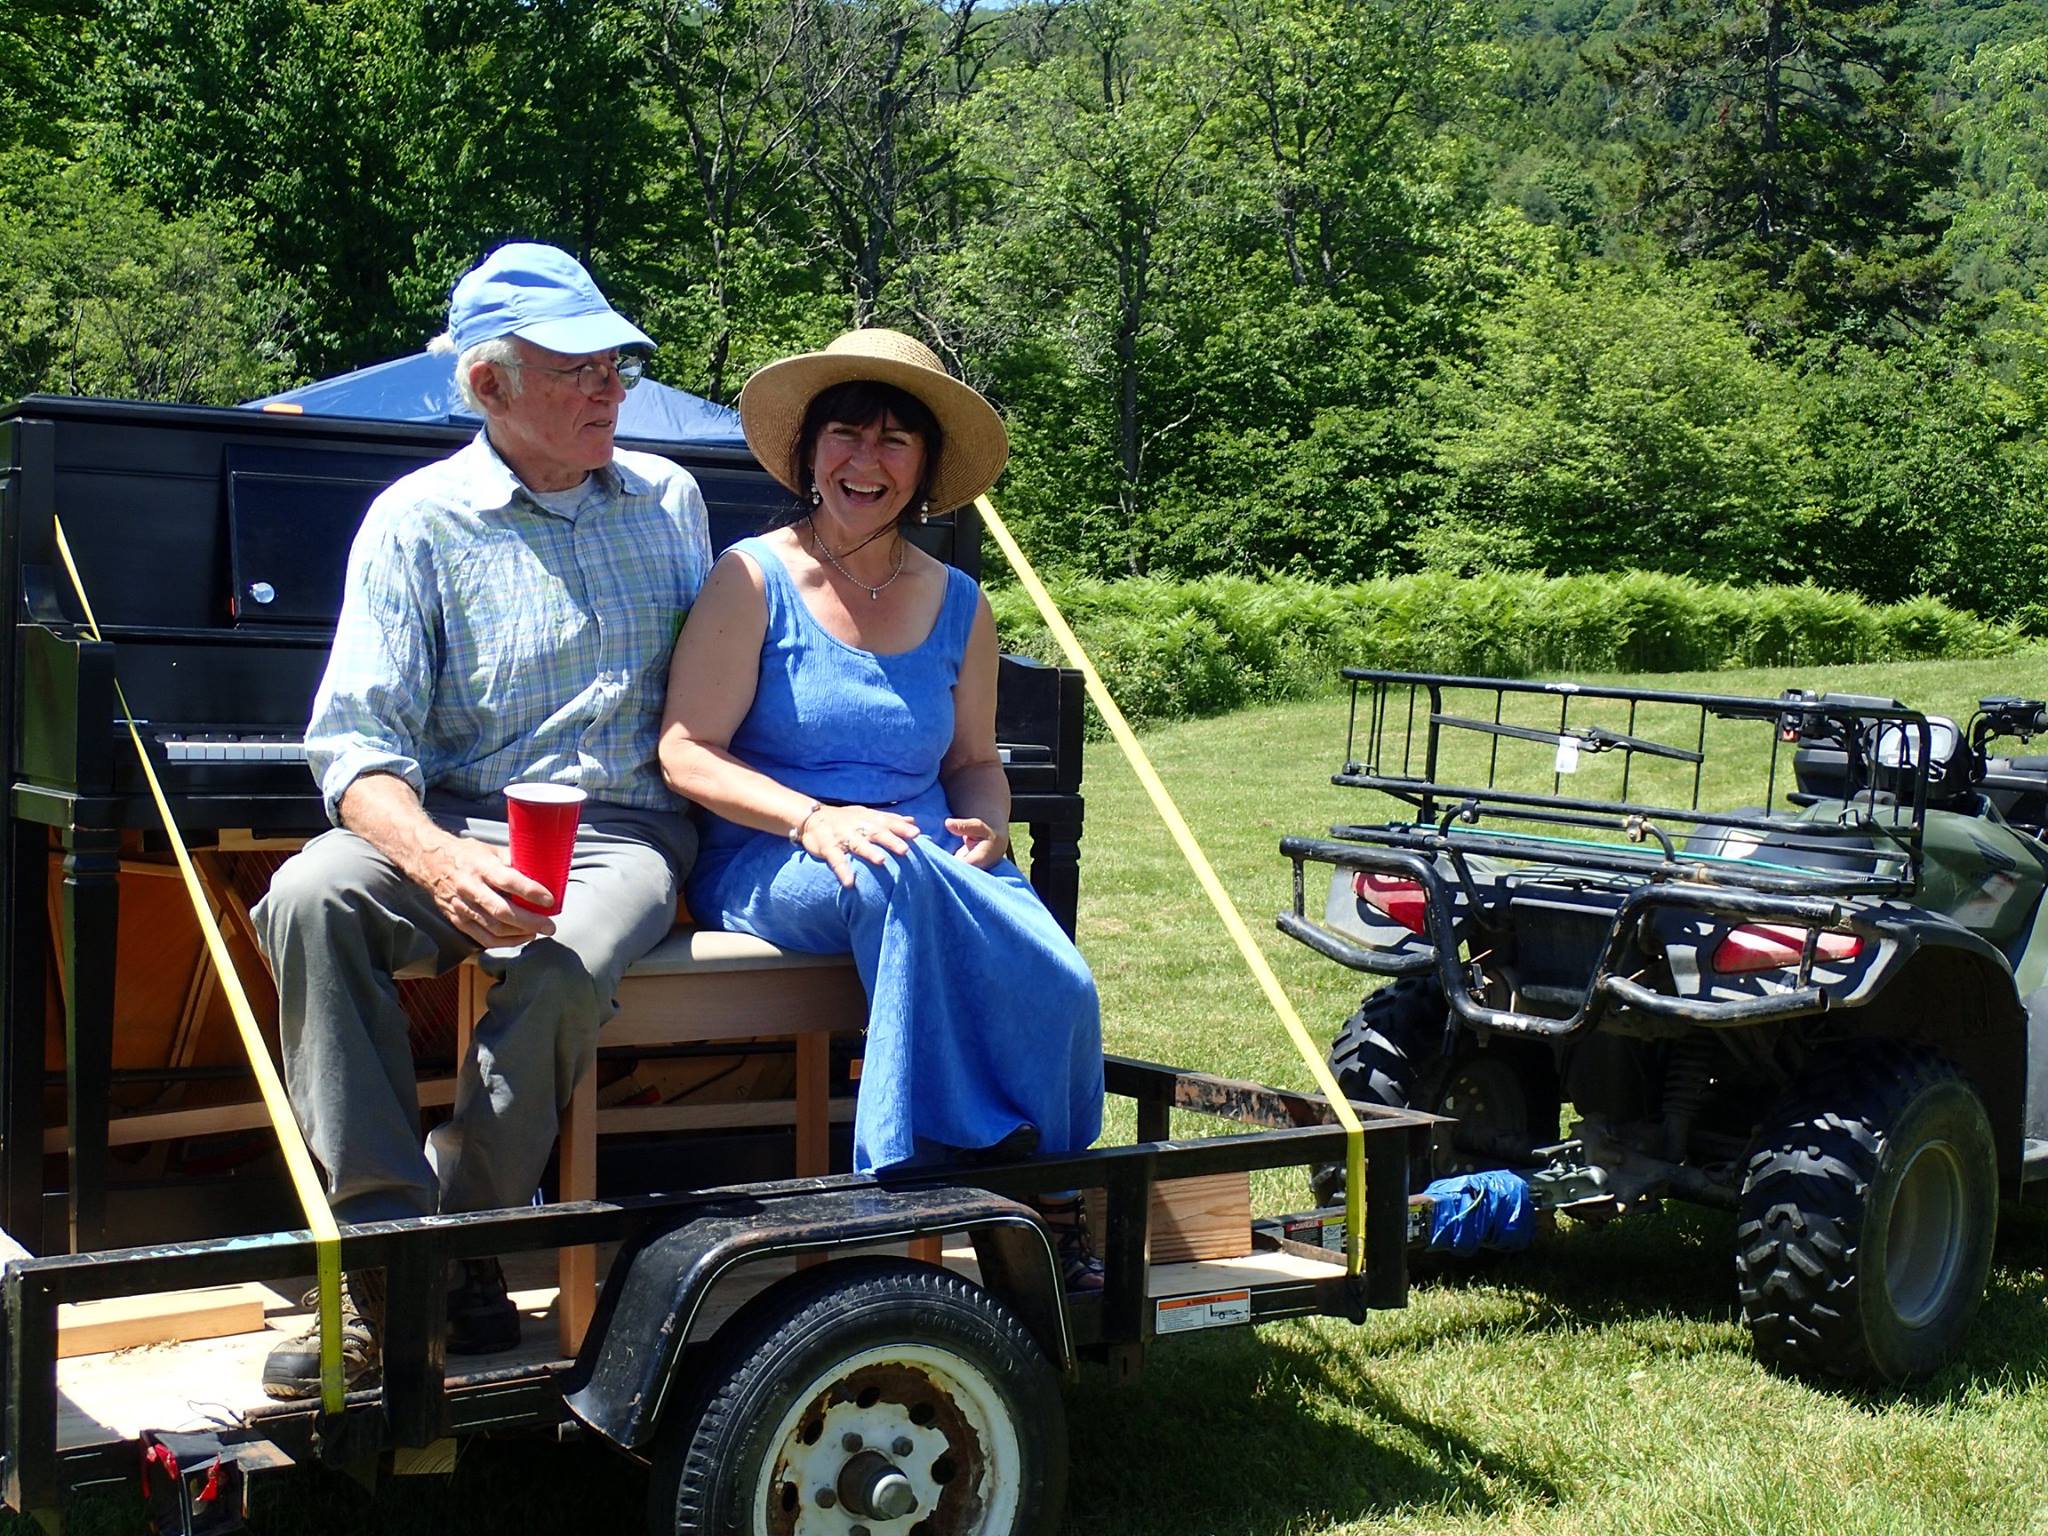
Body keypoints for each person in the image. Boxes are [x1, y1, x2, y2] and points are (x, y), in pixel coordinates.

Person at [252, 243, 713, 1398]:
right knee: (308, 895)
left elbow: (719, 697)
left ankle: (433, 1259)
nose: (613, 387)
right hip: (454, 815)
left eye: (617, 364)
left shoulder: (671, 499)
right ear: (488, 386)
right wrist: (437, 856)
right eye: (579, 369)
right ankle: (387, 1254)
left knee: (555, 967)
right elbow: (353, 745)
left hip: (624, 830)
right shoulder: (415, 521)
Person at [657, 328, 1104, 1286]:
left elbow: (977, 761)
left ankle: (1052, 1185)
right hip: (775, 851)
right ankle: (912, 1177)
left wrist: (986, 819)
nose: (868, 460)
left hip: (931, 851)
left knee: (1062, 973)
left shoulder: (960, 603)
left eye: (896, 440)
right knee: (889, 868)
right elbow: (685, 752)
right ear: (810, 453)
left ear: (927, 469)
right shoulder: (752, 578)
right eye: (847, 435)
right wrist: (815, 820)